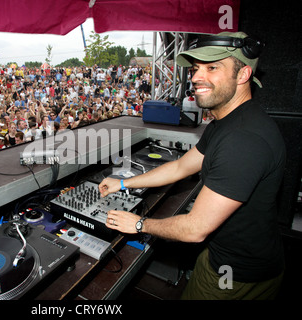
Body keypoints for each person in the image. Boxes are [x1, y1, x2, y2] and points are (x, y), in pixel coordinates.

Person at [99, 31, 286, 300]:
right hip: (225, 252)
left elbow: (195, 229)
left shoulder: (243, 140)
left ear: (243, 75)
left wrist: (139, 224)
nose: (197, 77)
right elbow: (180, 168)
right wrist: (123, 182)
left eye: (212, 68)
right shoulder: (228, 122)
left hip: (235, 273)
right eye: (196, 68)